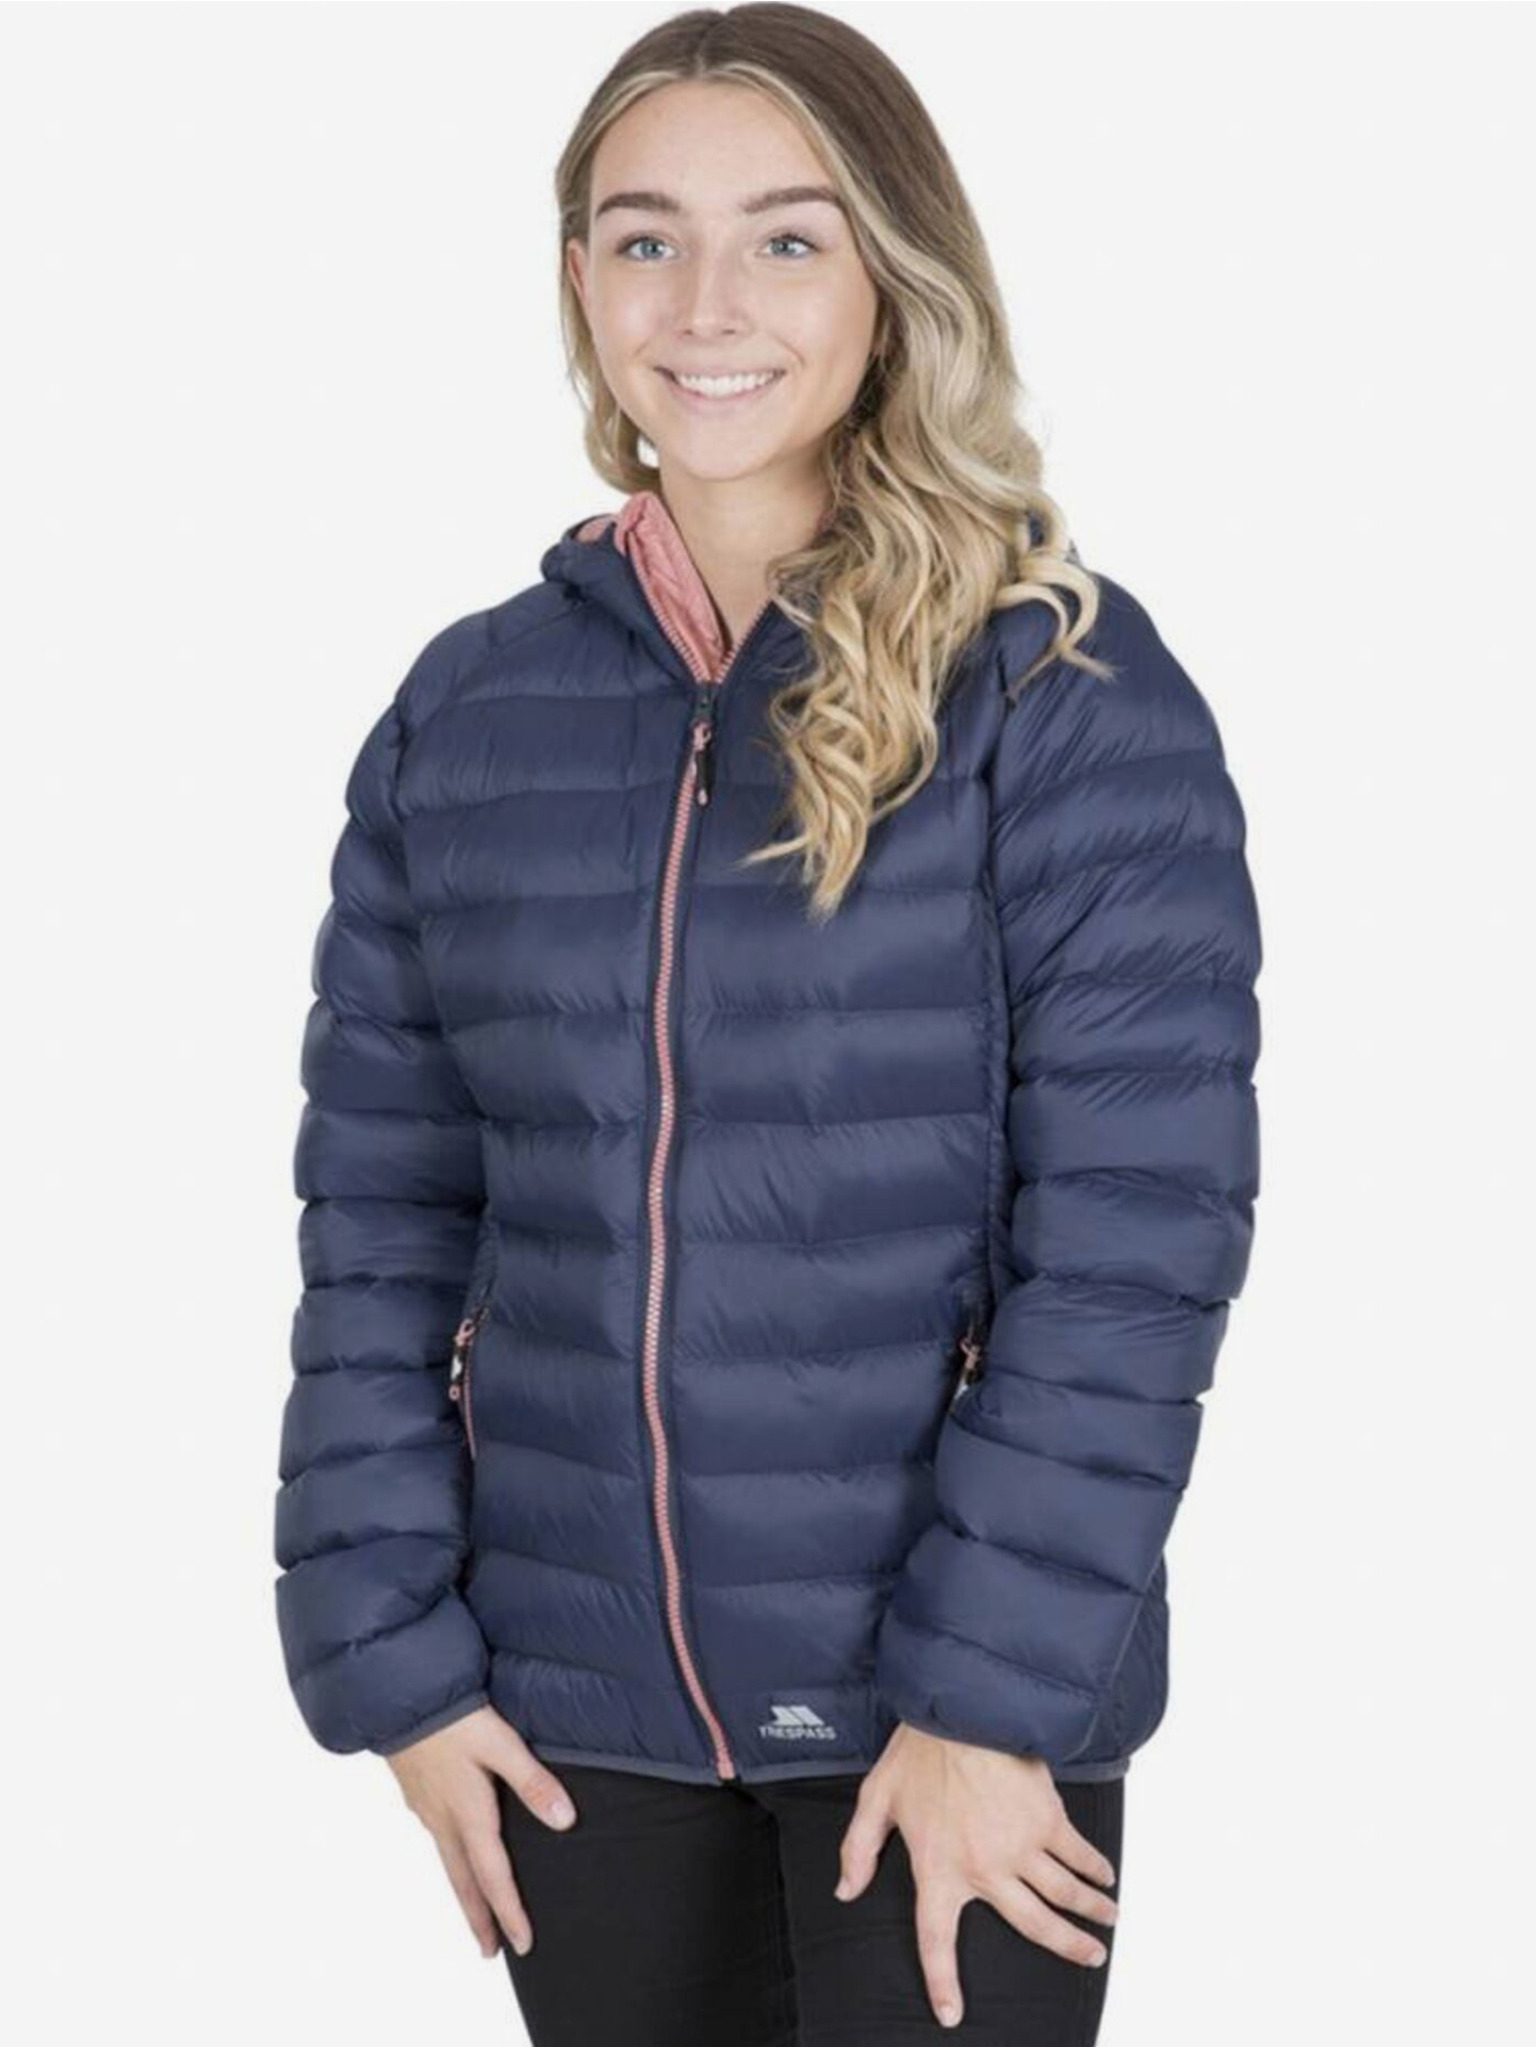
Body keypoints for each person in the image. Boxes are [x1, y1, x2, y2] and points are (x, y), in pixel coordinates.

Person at [272, 6, 1262, 2042]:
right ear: (580, 278)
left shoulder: (1059, 692)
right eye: (646, 239)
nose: (706, 306)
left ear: (894, 278)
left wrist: (989, 1702)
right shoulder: (470, 713)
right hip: (571, 1725)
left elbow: (1137, 1244)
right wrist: (396, 1665)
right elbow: (377, 1222)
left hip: (947, 1727)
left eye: (787, 240)